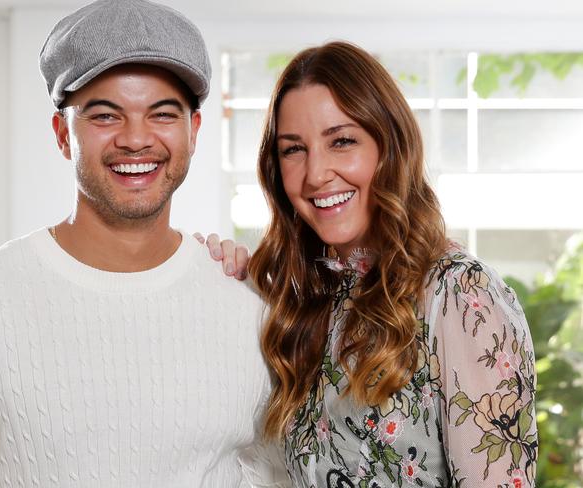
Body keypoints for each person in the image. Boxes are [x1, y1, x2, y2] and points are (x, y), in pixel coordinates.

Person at [0, 0, 288, 486]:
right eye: (105, 116)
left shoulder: (249, 302)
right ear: (63, 134)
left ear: (194, 132)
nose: (136, 139)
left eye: (162, 114)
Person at [205, 41, 537, 487]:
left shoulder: (460, 294)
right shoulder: (308, 303)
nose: (316, 173)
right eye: (293, 149)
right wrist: (224, 282)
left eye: (342, 141)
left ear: (390, 146)